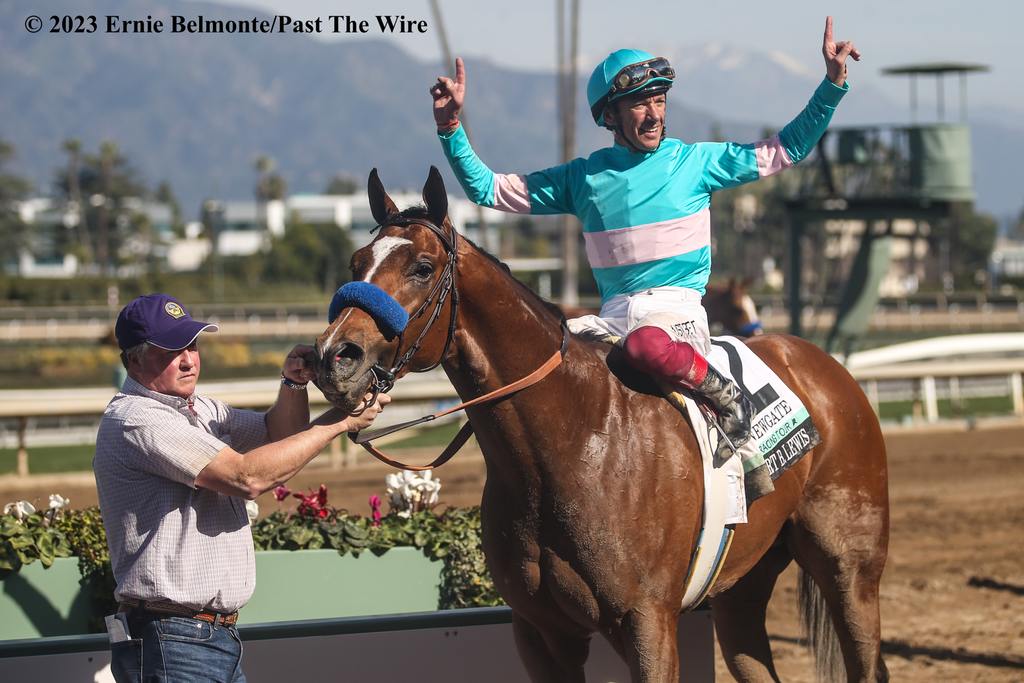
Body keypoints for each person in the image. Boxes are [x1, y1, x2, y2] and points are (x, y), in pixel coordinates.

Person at [430, 17, 858, 499]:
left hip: (675, 323)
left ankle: (728, 400)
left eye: (659, 101)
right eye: (639, 104)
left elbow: (787, 148)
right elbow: (488, 189)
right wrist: (451, 127)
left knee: (644, 347)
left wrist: (832, 83)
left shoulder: (695, 162)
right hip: (610, 321)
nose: (653, 114)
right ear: (609, 116)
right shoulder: (583, 178)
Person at [93, 293, 389, 682]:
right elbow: (247, 478)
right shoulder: (137, 419)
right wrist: (341, 421)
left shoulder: (201, 409)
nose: (188, 360)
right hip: (173, 641)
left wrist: (293, 383)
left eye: (192, 346)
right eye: (171, 351)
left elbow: (278, 433)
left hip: (204, 639)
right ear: (134, 358)